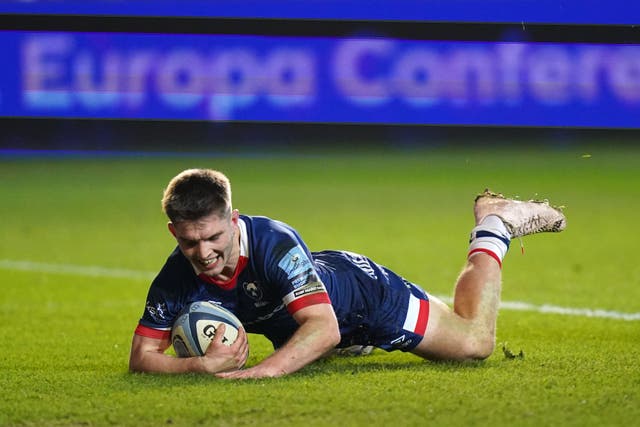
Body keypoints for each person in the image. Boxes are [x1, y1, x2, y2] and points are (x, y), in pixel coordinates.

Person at [129, 168, 566, 379]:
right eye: (189, 242)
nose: (203, 253)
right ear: (174, 233)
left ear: (233, 219)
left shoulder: (273, 243)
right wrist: (199, 368)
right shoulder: (177, 274)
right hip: (311, 307)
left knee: (474, 342)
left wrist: (263, 372)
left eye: (213, 238)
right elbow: (141, 358)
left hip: (364, 297)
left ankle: (494, 224)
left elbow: (322, 329)